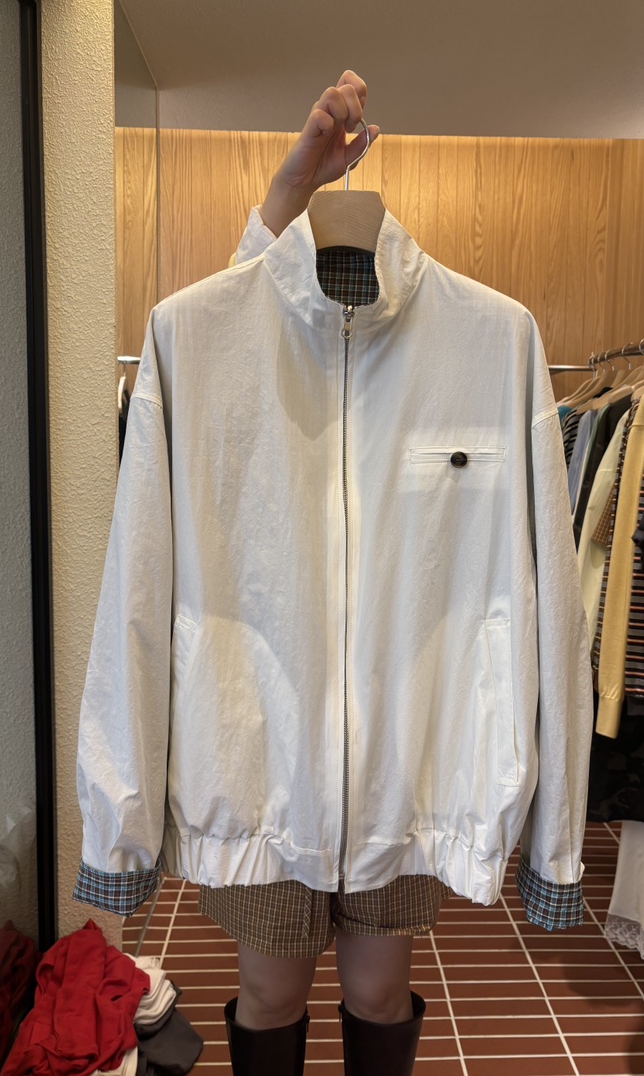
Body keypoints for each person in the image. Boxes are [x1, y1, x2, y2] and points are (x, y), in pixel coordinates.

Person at [215, 71, 440, 1076]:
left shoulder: (442, 346)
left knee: (378, 990)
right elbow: (235, 322)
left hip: (396, 743)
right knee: (270, 991)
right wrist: (291, 187)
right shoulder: (240, 344)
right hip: (272, 741)